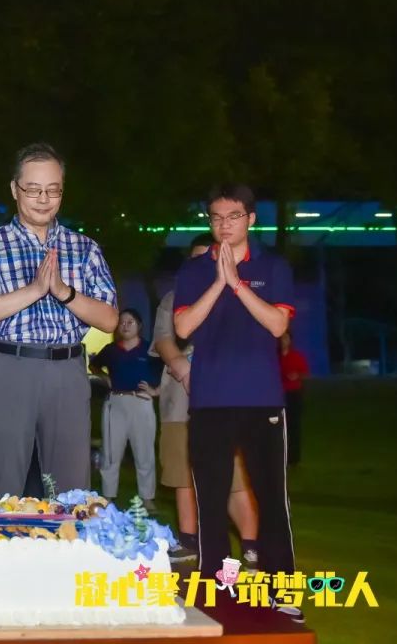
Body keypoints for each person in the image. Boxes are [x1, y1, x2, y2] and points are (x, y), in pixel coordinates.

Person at [0, 143, 118, 497]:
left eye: (53, 190)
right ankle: (1, 548)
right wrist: (34, 290)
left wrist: (63, 291)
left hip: (67, 369)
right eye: (33, 189)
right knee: (3, 485)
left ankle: (68, 550)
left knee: (71, 489)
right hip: (9, 366)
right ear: (15, 189)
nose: (43, 199)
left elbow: (109, 319)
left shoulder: (85, 248)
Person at [174, 184, 299, 620]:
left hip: (262, 397)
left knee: (271, 496)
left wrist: (239, 285)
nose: (224, 225)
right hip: (209, 399)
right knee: (210, 500)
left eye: (233, 216)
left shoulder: (273, 266)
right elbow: (185, 328)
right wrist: (218, 284)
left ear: (251, 218)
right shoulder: (192, 272)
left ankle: (281, 588)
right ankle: (217, 588)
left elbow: (276, 323)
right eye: (215, 217)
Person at [152, 234, 259, 565]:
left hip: (226, 400)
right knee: (182, 472)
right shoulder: (172, 299)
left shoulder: (238, 296)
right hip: (178, 401)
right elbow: (164, 340)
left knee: (235, 476)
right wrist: (184, 370)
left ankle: (252, 544)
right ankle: (189, 539)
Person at [90, 308, 162, 509]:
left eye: (130, 322)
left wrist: (156, 391)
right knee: (111, 452)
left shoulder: (151, 350)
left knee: (144, 452)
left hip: (141, 402)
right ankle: (108, 496)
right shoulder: (111, 350)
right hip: (116, 402)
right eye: (122, 322)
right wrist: (105, 378)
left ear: (139, 326)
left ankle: (147, 498)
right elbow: (94, 366)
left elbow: (170, 369)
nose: (125, 325)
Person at [278, 331, 309, 466]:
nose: (284, 341)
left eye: (286, 339)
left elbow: (305, 374)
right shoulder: (274, 357)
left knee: (294, 426)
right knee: (278, 426)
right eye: (281, 339)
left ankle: (294, 458)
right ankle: (279, 455)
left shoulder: (296, 357)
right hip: (278, 395)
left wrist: (297, 376)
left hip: (294, 394)